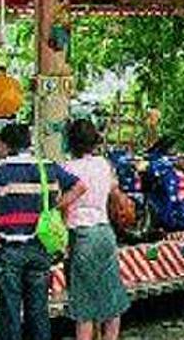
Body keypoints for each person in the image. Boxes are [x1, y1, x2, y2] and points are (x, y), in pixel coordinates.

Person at [0, 123, 87, 340]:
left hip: (9, 249)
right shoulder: (47, 167)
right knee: (38, 312)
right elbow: (80, 186)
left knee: (10, 315)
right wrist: (57, 205)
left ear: (5, 144)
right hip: (40, 248)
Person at [62, 119, 131, 340]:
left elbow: (63, 206)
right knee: (111, 296)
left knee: (84, 303)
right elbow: (115, 193)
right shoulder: (103, 164)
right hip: (104, 232)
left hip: (81, 234)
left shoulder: (68, 168)